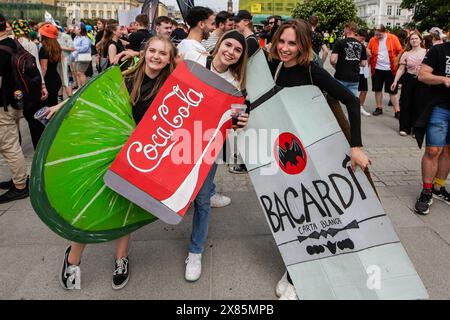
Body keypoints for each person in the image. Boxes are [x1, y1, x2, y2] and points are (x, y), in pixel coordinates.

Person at [46, 35, 178, 290]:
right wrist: (62, 105)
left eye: (163, 53)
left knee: (122, 207)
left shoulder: (172, 87)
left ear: (170, 59)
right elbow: (90, 97)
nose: (157, 56)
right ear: (145, 52)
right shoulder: (125, 76)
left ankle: (121, 258)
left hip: (139, 158)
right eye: (153, 51)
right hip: (107, 152)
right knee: (88, 204)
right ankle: (72, 260)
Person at [266, 19, 370, 300]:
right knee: (297, 210)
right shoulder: (275, 68)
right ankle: (297, 267)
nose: (286, 48)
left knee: (318, 210)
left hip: (318, 149)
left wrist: (356, 145)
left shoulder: (313, 70)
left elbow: (351, 100)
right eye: (282, 42)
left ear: (304, 45)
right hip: (290, 152)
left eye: (292, 43)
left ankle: (303, 272)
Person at [182, 30, 249, 282]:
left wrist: (241, 120)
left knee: (202, 200)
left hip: (209, 144)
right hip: (177, 139)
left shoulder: (235, 82)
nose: (230, 51)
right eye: (228, 45)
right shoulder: (195, 60)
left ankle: (195, 251)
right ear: (219, 44)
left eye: (237, 50)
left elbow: (233, 121)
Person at [414, 41, 450, 214]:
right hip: (440, 107)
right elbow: (422, 75)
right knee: (433, 150)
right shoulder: (439, 50)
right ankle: (426, 191)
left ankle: (439, 187)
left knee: (448, 150)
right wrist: (443, 79)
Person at [0, 14, 29, 203]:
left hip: (4, 105)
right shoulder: (13, 44)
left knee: (9, 145)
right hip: (16, 101)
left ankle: (20, 186)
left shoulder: (0, 50)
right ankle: (18, 178)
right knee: (13, 142)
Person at [390, 31, 427, 136]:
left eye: (416, 38)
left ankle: (417, 129)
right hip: (409, 79)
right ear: (409, 41)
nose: (414, 40)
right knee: (406, 103)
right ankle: (405, 128)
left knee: (419, 104)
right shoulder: (406, 54)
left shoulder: (427, 52)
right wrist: (395, 81)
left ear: (420, 40)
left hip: (422, 80)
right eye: (412, 39)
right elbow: (401, 69)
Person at [367, 25, 403, 117]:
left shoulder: (393, 38)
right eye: (376, 35)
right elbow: (369, 50)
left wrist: (397, 62)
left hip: (391, 69)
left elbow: (400, 51)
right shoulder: (373, 39)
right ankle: (379, 108)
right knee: (377, 90)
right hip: (377, 68)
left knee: (393, 91)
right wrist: (368, 52)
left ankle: (397, 111)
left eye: (380, 35)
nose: (378, 37)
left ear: (385, 32)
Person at [37, 23, 62, 145]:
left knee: (47, 109)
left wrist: (41, 84)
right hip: (56, 79)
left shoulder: (44, 49)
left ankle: (48, 135)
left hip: (48, 81)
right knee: (54, 105)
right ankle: (55, 132)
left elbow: (44, 69)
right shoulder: (57, 47)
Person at [330, 22, 367, 101]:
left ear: (347, 30)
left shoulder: (340, 42)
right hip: (354, 78)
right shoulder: (361, 45)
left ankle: (337, 113)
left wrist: (337, 67)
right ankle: (353, 113)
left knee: (334, 100)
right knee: (352, 102)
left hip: (341, 76)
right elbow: (363, 63)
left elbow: (332, 60)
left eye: (344, 29)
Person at [356, 28, 371, 117]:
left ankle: (360, 107)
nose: (363, 40)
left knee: (364, 89)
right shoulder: (356, 44)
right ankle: (354, 106)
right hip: (355, 70)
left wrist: (368, 55)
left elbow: (367, 58)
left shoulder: (364, 45)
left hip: (363, 71)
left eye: (364, 39)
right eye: (362, 38)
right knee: (353, 90)